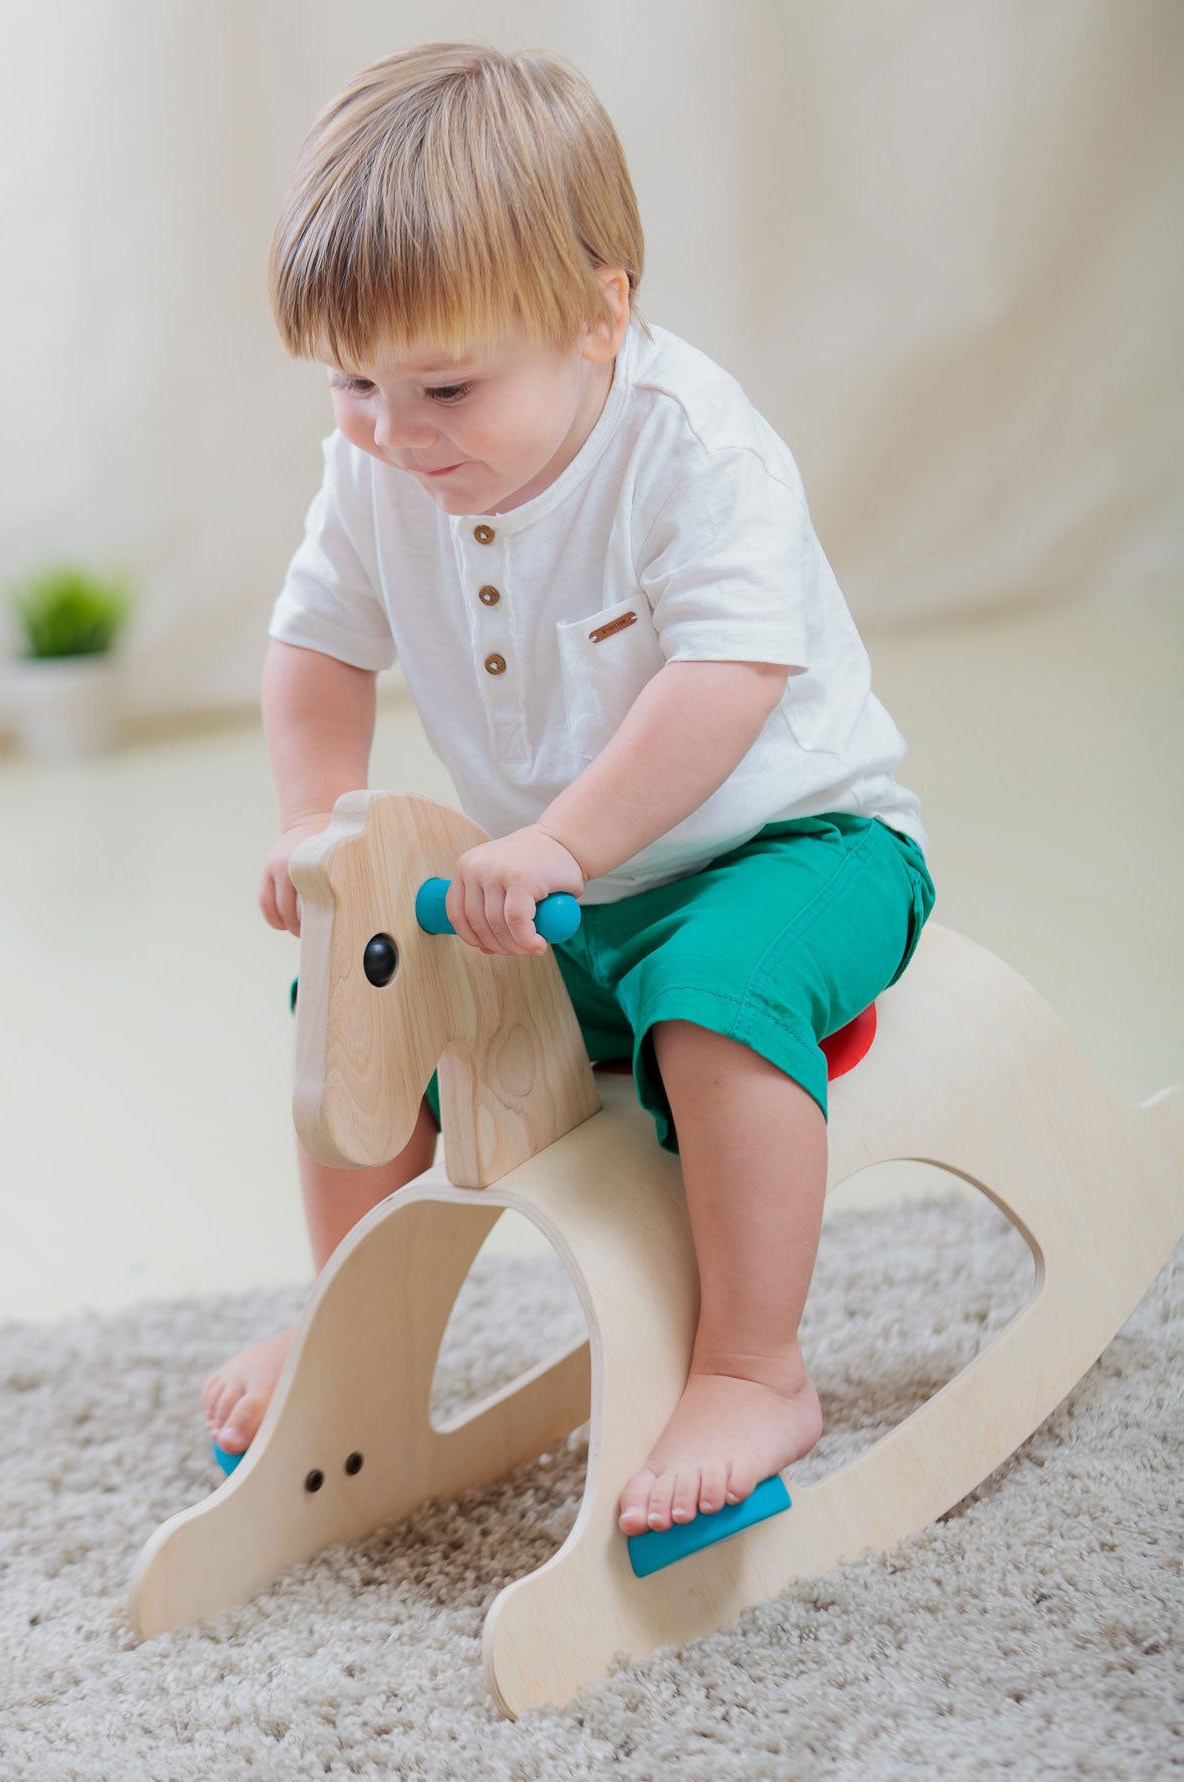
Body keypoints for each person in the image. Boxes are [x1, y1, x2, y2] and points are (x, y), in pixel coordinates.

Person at [202, 41, 935, 1539]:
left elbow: (722, 683)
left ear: (600, 312)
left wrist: (558, 837)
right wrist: (314, 814)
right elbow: (314, 646)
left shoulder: (691, 447)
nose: (395, 433)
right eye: (354, 381)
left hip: (794, 850)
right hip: (560, 890)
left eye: (445, 386)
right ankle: (353, 1331)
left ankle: (752, 1362)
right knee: (363, 987)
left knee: (716, 987)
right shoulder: (380, 466)